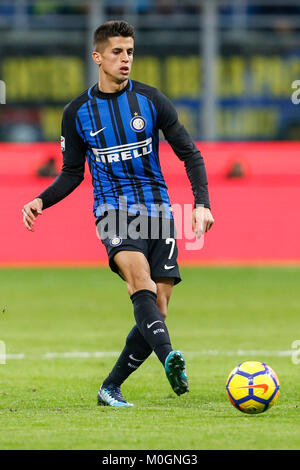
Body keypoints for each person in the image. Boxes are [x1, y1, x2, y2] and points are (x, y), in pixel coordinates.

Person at [22, 20, 214, 407]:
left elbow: (189, 153)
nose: (125, 59)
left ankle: (110, 387)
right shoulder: (77, 112)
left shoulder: (151, 100)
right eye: (116, 52)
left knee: (158, 306)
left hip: (159, 210)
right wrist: (41, 199)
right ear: (98, 57)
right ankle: (170, 358)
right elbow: (73, 172)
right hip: (113, 210)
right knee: (138, 281)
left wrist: (202, 203)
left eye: (129, 52)